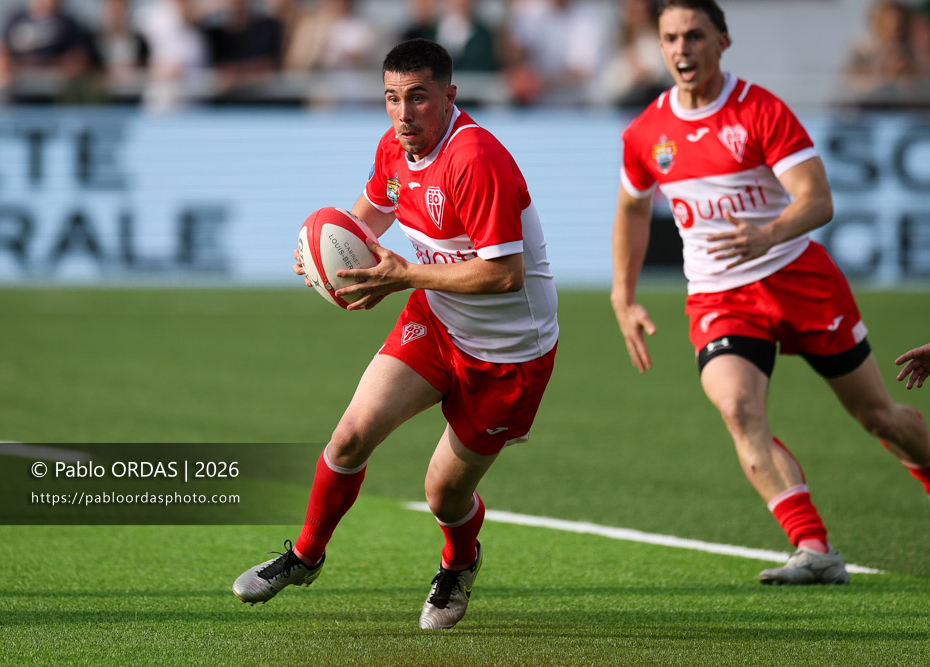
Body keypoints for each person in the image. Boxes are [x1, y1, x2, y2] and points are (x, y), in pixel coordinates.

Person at [233, 38, 559, 629]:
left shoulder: (475, 158)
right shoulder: (393, 148)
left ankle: (459, 563)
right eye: (391, 98)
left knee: (443, 495)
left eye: (418, 98)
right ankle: (305, 556)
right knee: (350, 437)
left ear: (449, 96)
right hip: (435, 321)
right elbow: (365, 219)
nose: (403, 114)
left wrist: (404, 275)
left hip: (509, 356)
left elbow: (504, 275)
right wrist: (322, 255)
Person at [610, 0, 930, 585]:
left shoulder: (760, 110)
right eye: (671, 38)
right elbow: (632, 209)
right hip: (719, 297)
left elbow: (817, 199)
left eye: (695, 36)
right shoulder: (646, 132)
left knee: (878, 416)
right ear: (659, 46)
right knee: (738, 407)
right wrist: (622, 296)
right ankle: (813, 548)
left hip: (798, 279)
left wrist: (769, 234)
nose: (682, 49)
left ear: (722, 41)